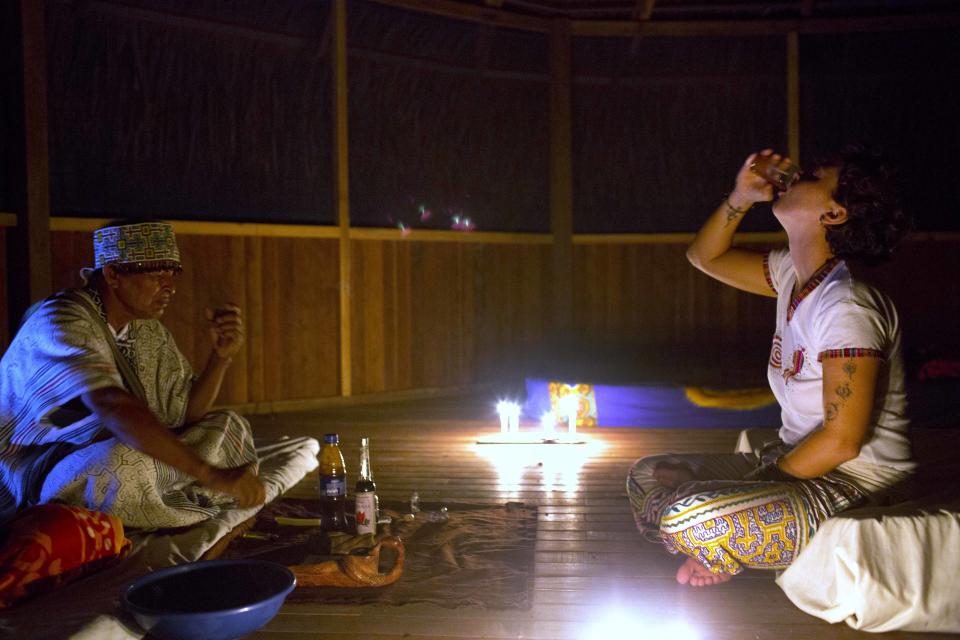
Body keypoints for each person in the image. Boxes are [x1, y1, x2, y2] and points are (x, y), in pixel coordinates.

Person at [626, 145, 914, 586]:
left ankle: (716, 546)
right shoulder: (791, 276)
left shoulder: (847, 305)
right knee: (647, 473)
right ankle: (723, 533)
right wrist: (741, 197)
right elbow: (705, 257)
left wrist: (756, 482)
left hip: (858, 485)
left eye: (815, 177)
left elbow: (841, 442)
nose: (798, 176)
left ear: (834, 214)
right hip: (792, 461)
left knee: (689, 517)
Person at [0, 220, 266, 529]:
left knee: (230, 426)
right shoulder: (61, 319)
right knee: (123, 464)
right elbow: (112, 404)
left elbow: (185, 414)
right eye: (155, 273)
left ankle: (161, 496)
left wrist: (221, 358)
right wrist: (209, 473)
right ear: (112, 274)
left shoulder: (147, 329)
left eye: (172, 272)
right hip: (43, 466)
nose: (170, 286)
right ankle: (178, 498)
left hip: (125, 449)